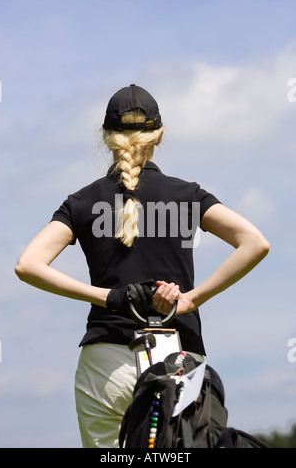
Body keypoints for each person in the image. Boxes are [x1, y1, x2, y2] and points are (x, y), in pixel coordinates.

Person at [15, 84, 270, 448]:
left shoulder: (82, 201)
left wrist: (109, 297)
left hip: (106, 361)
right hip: (179, 358)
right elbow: (255, 242)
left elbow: (27, 265)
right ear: (160, 136)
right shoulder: (188, 195)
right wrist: (193, 299)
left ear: (106, 137)